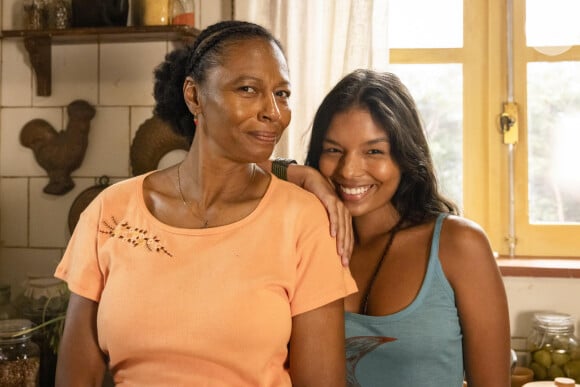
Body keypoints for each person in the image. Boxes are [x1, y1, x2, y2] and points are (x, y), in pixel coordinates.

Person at [54, 20, 357, 386]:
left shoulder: (304, 220)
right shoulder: (110, 212)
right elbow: (76, 377)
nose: (274, 113)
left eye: (282, 94)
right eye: (248, 89)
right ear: (194, 95)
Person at [282, 69, 511, 386]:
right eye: (333, 150)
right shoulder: (305, 241)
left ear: (405, 155)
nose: (349, 170)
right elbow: (231, 172)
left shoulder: (458, 245)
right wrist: (301, 175)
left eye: (373, 151)